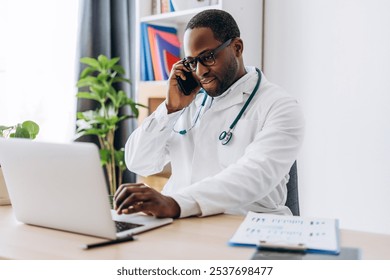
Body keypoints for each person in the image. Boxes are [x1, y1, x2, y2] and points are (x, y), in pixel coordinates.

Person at [114, 9, 305, 219]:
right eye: (192, 62)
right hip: (180, 223)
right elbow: (138, 161)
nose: (200, 71)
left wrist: (176, 203)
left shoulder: (280, 106)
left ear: (237, 48)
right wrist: (170, 109)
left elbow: (254, 176)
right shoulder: (188, 103)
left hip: (245, 225)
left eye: (208, 57)